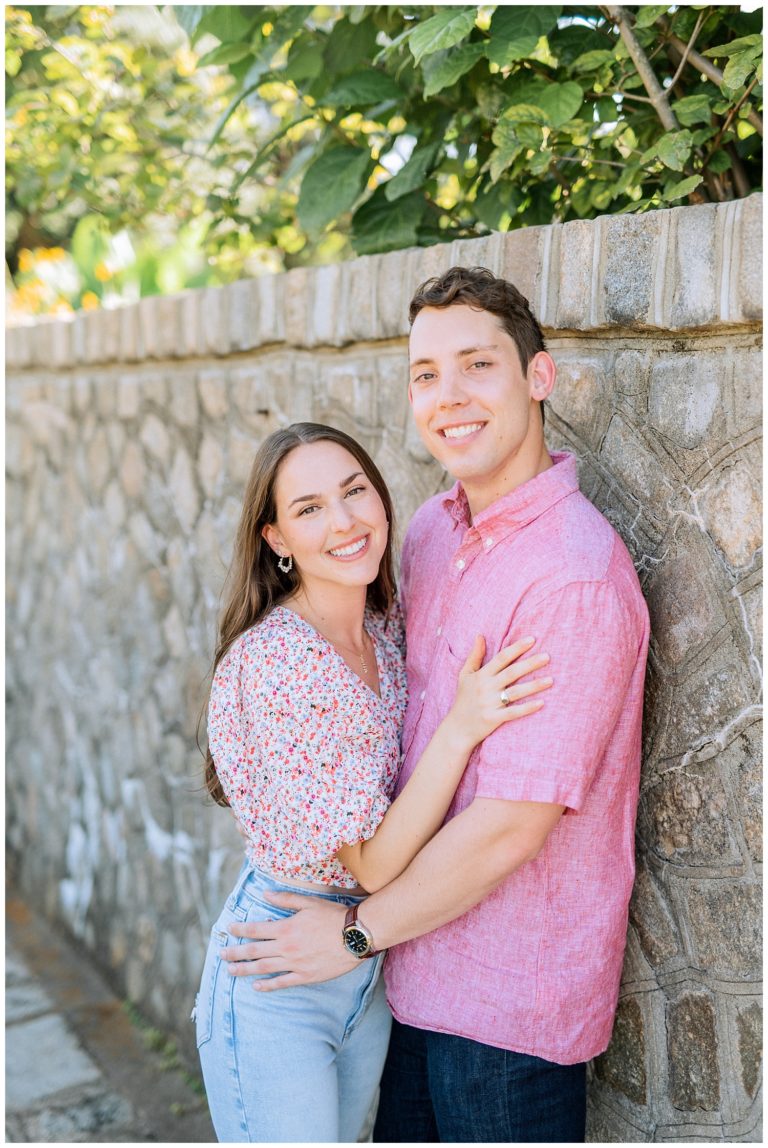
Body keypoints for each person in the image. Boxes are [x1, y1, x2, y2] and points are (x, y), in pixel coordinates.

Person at [218, 268, 651, 1143]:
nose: (446, 397)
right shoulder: (423, 535)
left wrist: (351, 937)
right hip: (405, 982)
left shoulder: (570, 577)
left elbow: (509, 827)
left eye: (477, 366)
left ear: (539, 376)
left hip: (503, 1014)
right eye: (424, 374)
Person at [194, 420, 553, 1143]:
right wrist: (463, 725)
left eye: (355, 491)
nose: (345, 520)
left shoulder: (386, 631)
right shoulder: (279, 663)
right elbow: (376, 860)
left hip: (368, 961)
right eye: (310, 509)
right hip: (282, 969)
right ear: (276, 541)